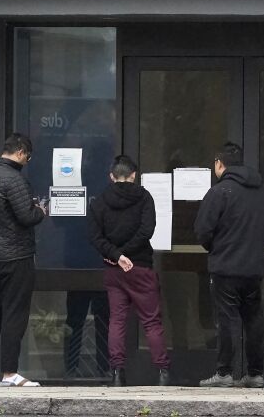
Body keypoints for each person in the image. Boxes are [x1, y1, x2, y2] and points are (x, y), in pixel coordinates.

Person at [194, 142, 264, 388]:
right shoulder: (263, 192)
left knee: (227, 320)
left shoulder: (219, 192)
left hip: (226, 267)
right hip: (254, 267)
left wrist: (216, 249)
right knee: (254, 319)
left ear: (219, 164)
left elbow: (202, 230)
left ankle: (224, 372)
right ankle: (255, 373)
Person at [88, 155, 171, 387]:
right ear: (134, 175)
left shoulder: (99, 202)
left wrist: (117, 256)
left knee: (116, 320)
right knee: (151, 321)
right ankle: (163, 372)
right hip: (140, 267)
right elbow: (147, 230)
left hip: (114, 270)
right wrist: (127, 254)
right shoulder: (144, 197)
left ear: (111, 176)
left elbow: (95, 237)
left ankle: (117, 373)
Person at [0, 133, 47, 387]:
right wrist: (41, 211)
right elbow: (26, 216)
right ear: (21, 152)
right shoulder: (15, 179)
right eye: (28, 157)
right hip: (16, 255)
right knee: (14, 313)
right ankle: (10, 374)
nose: (27, 162)